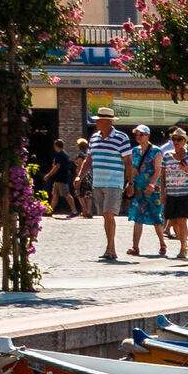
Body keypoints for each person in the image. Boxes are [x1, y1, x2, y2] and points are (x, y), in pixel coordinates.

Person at [82, 108, 133, 260]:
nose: (96, 122)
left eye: (99, 120)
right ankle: (110, 248)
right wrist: (80, 176)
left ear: (108, 122)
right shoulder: (94, 138)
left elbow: (128, 162)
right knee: (105, 215)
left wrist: (130, 182)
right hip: (98, 182)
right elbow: (88, 159)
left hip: (114, 182)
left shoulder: (121, 138)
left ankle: (111, 249)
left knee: (109, 214)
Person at [123, 124, 164, 257]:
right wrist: (129, 183)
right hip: (138, 188)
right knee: (137, 217)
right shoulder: (134, 151)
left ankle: (162, 244)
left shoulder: (156, 151)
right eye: (136, 134)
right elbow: (133, 169)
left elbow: (158, 170)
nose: (138, 137)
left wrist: (152, 184)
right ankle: (135, 247)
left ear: (148, 136)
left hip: (152, 189)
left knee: (156, 217)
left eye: (141, 134)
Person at [161, 129, 188, 257]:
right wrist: (163, 192)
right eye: (174, 139)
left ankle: (183, 247)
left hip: (186, 193)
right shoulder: (167, 155)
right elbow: (163, 176)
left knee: (182, 220)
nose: (176, 142)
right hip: (171, 193)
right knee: (174, 222)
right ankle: (183, 242)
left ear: (184, 141)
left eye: (179, 139)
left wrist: (187, 169)